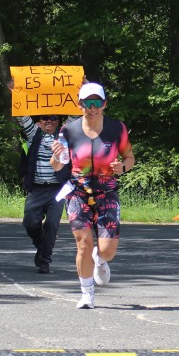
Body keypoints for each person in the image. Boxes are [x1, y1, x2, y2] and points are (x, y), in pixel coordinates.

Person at [51, 82, 135, 310]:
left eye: (97, 102)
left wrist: (122, 168)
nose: (92, 108)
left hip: (107, 192)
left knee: (107, 251)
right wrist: (57, 156)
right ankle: (87, 294)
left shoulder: (117, 128)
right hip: (78, 192)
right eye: (87, 103)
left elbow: (129, 157)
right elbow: (57, 166)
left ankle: (100, 258)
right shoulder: (68, 130)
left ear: (104, 104)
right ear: (79, 105)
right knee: (83, 244)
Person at [17, 113, 71, 273]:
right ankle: (42, 246)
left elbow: (75, 117)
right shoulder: (34, 134)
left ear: (58, 121)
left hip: (57, 189)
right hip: (37, 189)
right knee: (29, 222)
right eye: (45, 118)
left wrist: (79, 99)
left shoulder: (64, 135)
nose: (49, 121)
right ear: (39, 122)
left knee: (52, 224)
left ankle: (45, 261)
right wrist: (18, 98)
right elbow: (23, 115)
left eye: (53, 118)